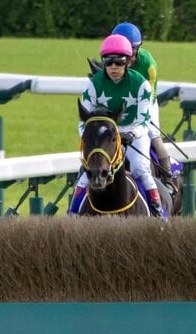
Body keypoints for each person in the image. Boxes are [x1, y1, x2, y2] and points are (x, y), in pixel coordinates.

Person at [67, 34, 167, 219]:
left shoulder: (141, 84)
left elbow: (145, 121)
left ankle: (160, 218)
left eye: (119, 62)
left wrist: (132, 134)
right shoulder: (93, 84)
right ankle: (72, 217)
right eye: (108, 62)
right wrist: (88, 135)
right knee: (85, 174)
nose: (113, 67)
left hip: (134, 133)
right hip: (105, 135)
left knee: (140, 169)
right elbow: (84, 121)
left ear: (128, 62)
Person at [111, 21, 171, 186]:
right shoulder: (111, 60)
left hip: (146, 102)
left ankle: (168, 178)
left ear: (137, 49)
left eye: (131, 52)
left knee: (153, 135)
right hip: (120, 103)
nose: (126, 57)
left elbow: (148, 95)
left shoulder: (148, 64)